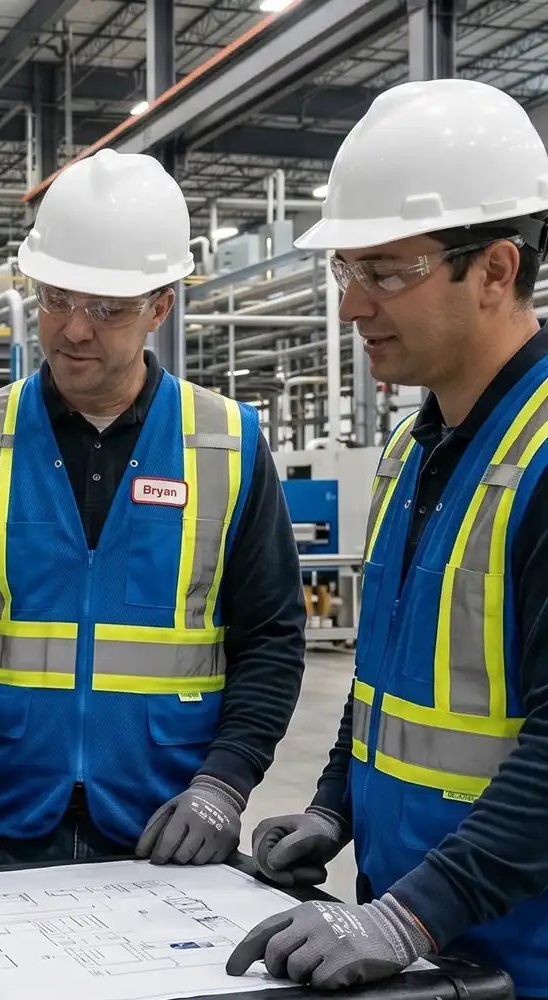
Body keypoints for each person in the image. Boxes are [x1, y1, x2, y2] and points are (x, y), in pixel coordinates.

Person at [0, 148, 307, 885]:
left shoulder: (228, 443)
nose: (74, 330)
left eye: (108, 309)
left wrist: (223, 785)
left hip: (170, 827)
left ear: (161, 306)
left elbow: (271, 640)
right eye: (57, 298)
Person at [225, 79, 548, 997]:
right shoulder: (414, 449)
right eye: (346, 272)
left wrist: (408, 915)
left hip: (519, 959)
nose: (352, 307)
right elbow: (384, 680)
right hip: (416, 946)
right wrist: (335, 808)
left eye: (388, 272)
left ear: (494, 270)